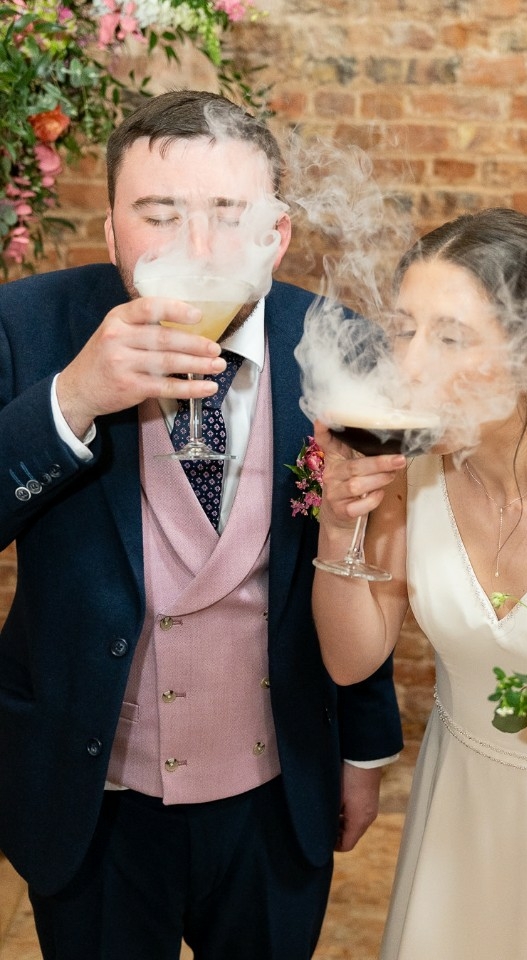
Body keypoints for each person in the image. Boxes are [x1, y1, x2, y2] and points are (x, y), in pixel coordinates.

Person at [0, 90, 403, 960]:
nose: (198, 245)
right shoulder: (27, 326)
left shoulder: (341, 343)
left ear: (277, 235)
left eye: (229, 212)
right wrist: (72, 398)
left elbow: (366, 551)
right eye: (159, 213)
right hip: (90, 790)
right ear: (111, 233)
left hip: (276, 788)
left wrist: (364, 753)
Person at [312, 208, 527, 960]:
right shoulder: (413, 471)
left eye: (450, 338)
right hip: (460, 812)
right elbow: (351, 660)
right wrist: (340, 528)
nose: (408, 363)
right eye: (403, 329)